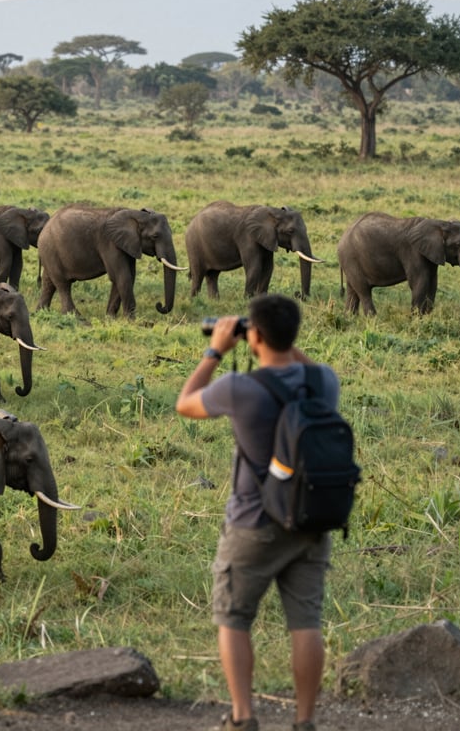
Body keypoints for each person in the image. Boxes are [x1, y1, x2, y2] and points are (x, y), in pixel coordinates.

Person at [175, 294, 340, 731]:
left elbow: (185, 402)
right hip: (310, 519)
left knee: (234, 619)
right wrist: (280, 341)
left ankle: (243, 718)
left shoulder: (239, 388)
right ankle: (304, 722)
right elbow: (307, 368)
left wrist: (216, 351)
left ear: (255, 336)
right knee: (306, 623)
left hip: (253, 522)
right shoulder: (324, 381)